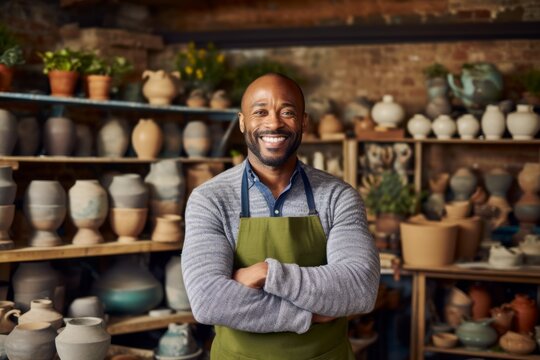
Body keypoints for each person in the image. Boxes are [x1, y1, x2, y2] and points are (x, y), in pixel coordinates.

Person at [182, 73, 380, 359]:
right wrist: (308, 316)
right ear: (242, 122)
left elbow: (359, 288)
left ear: (303, 122)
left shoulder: (338, 196)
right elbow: (209, 300)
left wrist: (267, 273)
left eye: (287, 112)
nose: (273, 123)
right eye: (260, 112)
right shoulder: (210, 199)